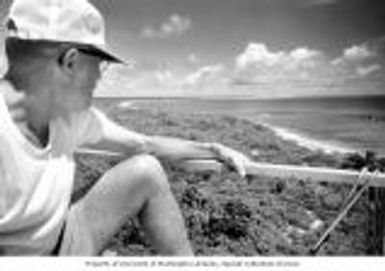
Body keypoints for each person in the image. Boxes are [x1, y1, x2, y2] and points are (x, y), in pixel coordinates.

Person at [0, 0, 250, 256]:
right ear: (71, 62)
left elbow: (144, 145)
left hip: (60, 238)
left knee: (146, 169)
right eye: (100, 65)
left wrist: (212, 149)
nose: (99, 77)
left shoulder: (68, 117)